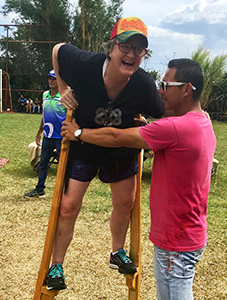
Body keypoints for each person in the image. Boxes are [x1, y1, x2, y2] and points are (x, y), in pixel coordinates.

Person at [62, 58, 216, 300]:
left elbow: (115, 137)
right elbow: (173, 144)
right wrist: (147, 125)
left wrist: (79, 133)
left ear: (186, 89)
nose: (159, 92)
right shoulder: (203, 121)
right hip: (191, 234)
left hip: (175, 240)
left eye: (166, 85)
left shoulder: (175, 128)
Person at [45, 17, 165, 291]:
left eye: (139, 50)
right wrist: (63, 89)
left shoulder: (144, 85)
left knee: (126, 203)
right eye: (125, 46)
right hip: (83, 147)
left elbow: (162, 111)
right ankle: (56, 265)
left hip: (120, 151)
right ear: (111, 48)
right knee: (68, 206)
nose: (132, 55)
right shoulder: (84, 66)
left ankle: (116, 252)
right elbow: (57, 49)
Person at [24, 70, 66, 198]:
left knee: (63, 166)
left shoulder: (64, 96)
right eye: (49, 78)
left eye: (53, 78)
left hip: (61, 138)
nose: (51, 81)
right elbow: (44, 116)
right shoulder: (45, 95)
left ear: (59, 80)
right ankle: (40, 188)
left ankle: (65, 193)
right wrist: (39, 133)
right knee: (43, 163)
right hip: (47, 137)